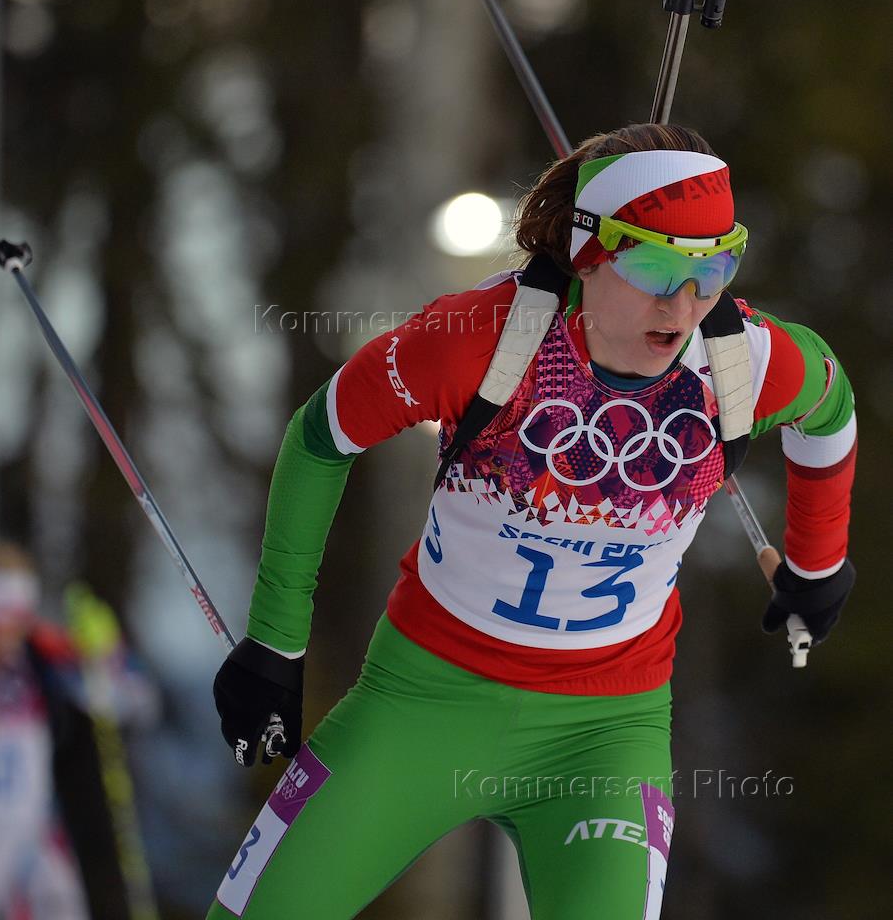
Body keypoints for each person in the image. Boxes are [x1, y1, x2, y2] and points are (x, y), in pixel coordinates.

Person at [209, 124, 856, 920]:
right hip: (420, 702)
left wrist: (817, 564)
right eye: (655, 268)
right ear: (587, 253)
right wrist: (274, 642)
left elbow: (830, 411)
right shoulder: (476, 340)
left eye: (711, 270)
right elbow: (321, 437)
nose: (681, 305)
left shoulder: (746, 362)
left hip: (603, 735)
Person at [0, 542, 153, 920]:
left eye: (6, 624)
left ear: (23, 621)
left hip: (30, 846)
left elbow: (138, 703)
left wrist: (106, 655)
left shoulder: (44, 661)